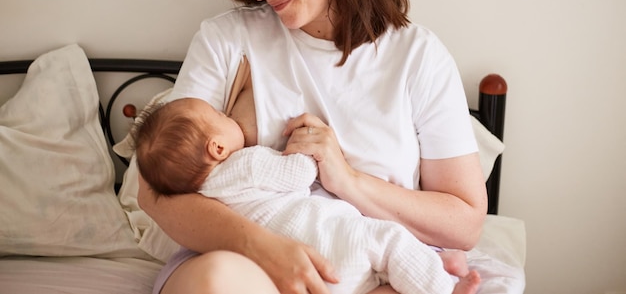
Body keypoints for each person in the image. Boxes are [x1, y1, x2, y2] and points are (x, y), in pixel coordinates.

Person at [137, 0, 489, 294]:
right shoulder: (227, 41)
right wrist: (263, 247)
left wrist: (347, 179)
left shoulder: (418, 58)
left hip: (370, 267)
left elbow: (464, 223)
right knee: (215, 283)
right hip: (243, 262)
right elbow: (155, 194)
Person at [133, 97, 481, 294]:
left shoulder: (200, 187)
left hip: (297, 275)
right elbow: (299, 173)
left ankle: (437, 264)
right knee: (390, 243)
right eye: (222, 115)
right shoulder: (247, 164)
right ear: (218, 146)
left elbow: (465, 223)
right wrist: (305, 144)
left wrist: (348, 178)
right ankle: (441, 285)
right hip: (323, 247)